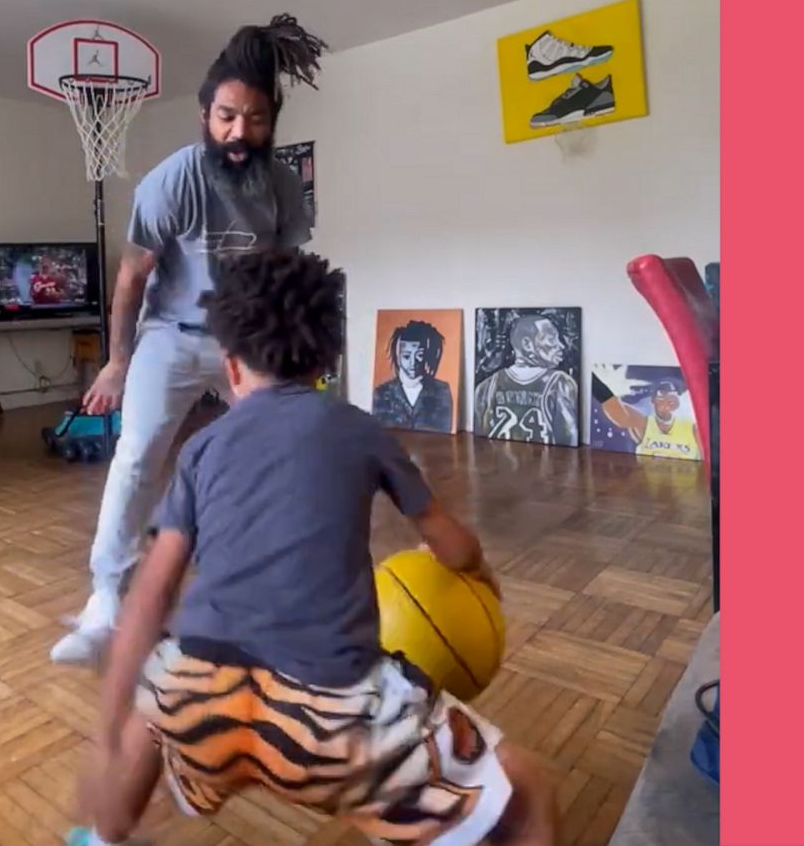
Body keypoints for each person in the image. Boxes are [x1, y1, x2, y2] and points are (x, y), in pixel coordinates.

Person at [69, 251, 559, 846]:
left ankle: (104, 833)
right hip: (330, 716)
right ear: (327, 360)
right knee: (528, 789)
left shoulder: (202, 449)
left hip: (205, 703)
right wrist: (478, 570)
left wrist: (105, 735)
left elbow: (151, 595)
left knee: (160, 698)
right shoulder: (358, 428)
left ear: (230, 366)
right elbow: (451, 544)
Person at [51, 15, 328, 664]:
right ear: (205, 114)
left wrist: (294, 357)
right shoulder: (172, 181)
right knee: (139, 452)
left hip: (247, 340)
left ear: (272, 122)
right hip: (170, 336)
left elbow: (285, 274)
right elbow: (131, 278)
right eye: (226, 115)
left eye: (255, 119)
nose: (239, 132)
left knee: (282, 456)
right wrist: (118, 362)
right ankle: (106, 602)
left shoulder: (285, 188)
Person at [473, 314, 579, 445]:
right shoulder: (560, 384)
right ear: (527, 344)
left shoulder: (486, 387)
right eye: (552, 339)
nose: (561, 345)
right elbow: (568, 439)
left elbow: (479, 439)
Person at [592, 368, 702, 460]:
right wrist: (593, 381)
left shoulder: (692, 429)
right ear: (653, 400)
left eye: (671, 394)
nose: (666, 400)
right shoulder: (646, 425)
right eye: (661, 394)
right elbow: (620, 413)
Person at [372, 320, 455, 432]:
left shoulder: (441, 391)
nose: (413, 362)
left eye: (419, 355)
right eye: (406, 356)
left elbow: (444, 430)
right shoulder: (382, 393)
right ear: (398, 356)